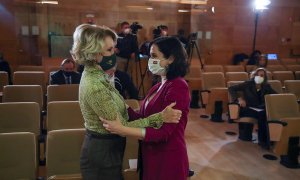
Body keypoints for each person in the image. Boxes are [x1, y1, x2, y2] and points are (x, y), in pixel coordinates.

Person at [70, 24, 182, 180]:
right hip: (103, 152)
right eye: (109, 50)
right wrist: (160, 117)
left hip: (115, 150)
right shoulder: (95, 83)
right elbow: (120, 126)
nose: (115, 52)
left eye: (114, 48)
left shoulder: (99, 75)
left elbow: (122, 110)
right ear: (94, 53)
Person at [101, 37, 191, 180]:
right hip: (150, 154)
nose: (150, 60)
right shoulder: (158, 85)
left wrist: (122, 129)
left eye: (155, 56)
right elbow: (144, 119)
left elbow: (163, 132)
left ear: (171, 58)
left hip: (167, 157)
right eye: (150, 56)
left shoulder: (178, 86)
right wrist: (121, 104)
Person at [228, 68, 277, 147]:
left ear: (264, 78)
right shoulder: (248, 84)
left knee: (265, 114)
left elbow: (276, 95)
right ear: (254, 75)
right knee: (263, 115)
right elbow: (231, 89)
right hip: (248, 108)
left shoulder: (266, 86)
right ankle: (263, 141)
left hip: (260, 108)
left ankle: (268, 139)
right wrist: (239, 99)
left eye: (261, 75)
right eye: (257, 75)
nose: (259, 77)